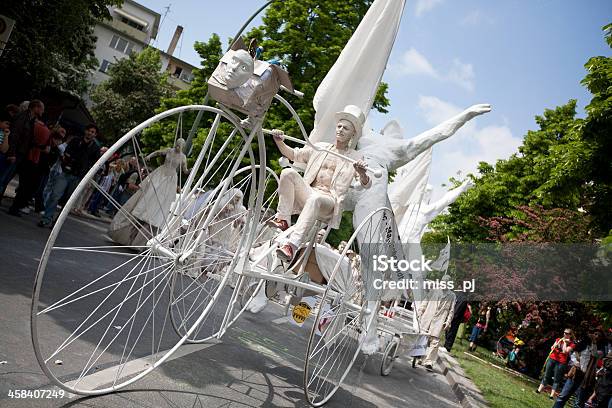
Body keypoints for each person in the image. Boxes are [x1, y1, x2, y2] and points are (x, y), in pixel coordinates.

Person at [267, 105, 371, 262]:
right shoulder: (320, 147)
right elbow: (293, 154)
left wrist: (362, 172)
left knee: (315, 199)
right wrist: (279, 141)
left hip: (328, 201)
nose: (341, 130)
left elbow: (366, 184)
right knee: (287, 172)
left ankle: (291, 246)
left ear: (353, 134)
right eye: (339, 126)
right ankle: (283, 219)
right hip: (309, 193)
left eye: (346, 128)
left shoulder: (355, 157)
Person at [108, 139, 188, 246]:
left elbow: (185, 170)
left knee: (160, 200)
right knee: (149, 193)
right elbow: (157, 152)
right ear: (176, 144)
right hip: (161, 174)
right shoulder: (169, 150)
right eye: (178, 145)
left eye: (181, 145)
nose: (179, 147)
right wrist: (149, 156)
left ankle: (144, 234)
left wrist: (189, 171)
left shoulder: (183, 157)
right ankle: (139, 216)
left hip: (170, 179)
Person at [38, 124, 100, 227]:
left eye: (93, 132)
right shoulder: (76, 140)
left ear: (95, 134)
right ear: (85, 131)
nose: (90, 133)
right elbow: (67, 153)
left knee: (68, 202)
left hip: (79, 177)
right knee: (55, 195)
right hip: (66, 172)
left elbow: (94, 164)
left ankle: (57, 223)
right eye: (89, 130)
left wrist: (85, 170)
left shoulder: (95, 148)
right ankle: (46, 218)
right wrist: (67, 163)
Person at [8, 110, 50, 216]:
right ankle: (16, 207)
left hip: (24, 155)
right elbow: (47, 149)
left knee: (11, 178)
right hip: (34, 159)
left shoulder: (33, 125)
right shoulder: (45, 130)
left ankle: (16, 206)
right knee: (25, 187)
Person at [0, 100, 44, 201]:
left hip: (19, 155)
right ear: (36, 108)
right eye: (42, 108)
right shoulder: (23, 117)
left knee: (5, 180)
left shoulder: (31, 119)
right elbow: (15, 136)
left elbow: (27, 139)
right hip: (13, 153)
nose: (43, 111)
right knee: (2, 179)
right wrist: (11, 153)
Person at [553, 328, 607, 408]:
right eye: (595, 334)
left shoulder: (600, 349)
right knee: (563, 396)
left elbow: (595, 354)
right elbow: (573, 353)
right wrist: (576, 362)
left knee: (579, 403)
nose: (596, 336)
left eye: (599, 335)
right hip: (576, 373)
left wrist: (594, 343)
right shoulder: (584, 344)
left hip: (587, 377)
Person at [417, 274, 456, 370]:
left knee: (435, 341)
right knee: (423, 338)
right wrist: (420, 311)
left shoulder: (452, 296)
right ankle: (418, 356)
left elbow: (451, 310)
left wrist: (448, 322)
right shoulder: (434, 290)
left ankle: (429, 362)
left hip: (439, 320)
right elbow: (425, 301)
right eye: (443, 282)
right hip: (428, 316)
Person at [537, 328, 575, 399]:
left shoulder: (572, 344)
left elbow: (565, 351)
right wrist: (554, 346)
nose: (565, 334)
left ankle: (551, 395)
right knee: (546, 374)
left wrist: (565, 343)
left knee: (556, 378)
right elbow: (552, 347)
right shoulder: (558, 339)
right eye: (564, 333)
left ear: (570, 335)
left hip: (561, 361)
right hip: (552, 358)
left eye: (567, 333)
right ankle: (539, 390)